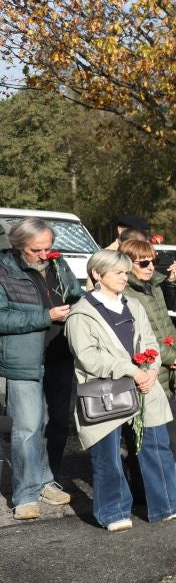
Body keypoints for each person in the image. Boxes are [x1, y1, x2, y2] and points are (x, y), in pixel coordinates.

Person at [65, 249, 176, 530]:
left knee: (156, 447)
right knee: (108, 455)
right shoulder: (81, 313)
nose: (123, 277)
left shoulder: (133, 304)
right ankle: (113, 513)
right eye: (117, 272)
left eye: (125, 272)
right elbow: (89, 357)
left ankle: (167, 505)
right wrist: (133, 371)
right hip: (106, 391)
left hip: (145, 385)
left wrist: (151, 370)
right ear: (96, 275)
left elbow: (150, 342)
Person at [0, 218, 80, 520]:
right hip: (24, 360)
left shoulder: (59, 265)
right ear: (19, 246)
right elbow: (2, 318)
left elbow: (76, 296)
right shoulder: (3, 270)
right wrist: (45, 315)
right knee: (27, 428)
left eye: (49, 248)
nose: (45, 255)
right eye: (37, 250)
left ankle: (46, 479)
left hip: (60, 356)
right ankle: (24, 495)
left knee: (56, 424)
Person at [120, 239, 176, 480]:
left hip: (164, 360)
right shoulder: (126, 292)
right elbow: (139, 335)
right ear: (128, 264)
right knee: (143, 420)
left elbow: (166, 322)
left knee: (169, 411)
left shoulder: (153, 286)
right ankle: (142, 469)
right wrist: (170, 356)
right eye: (144, 262)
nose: (150, 266)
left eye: (154, 261)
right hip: (145, 363)